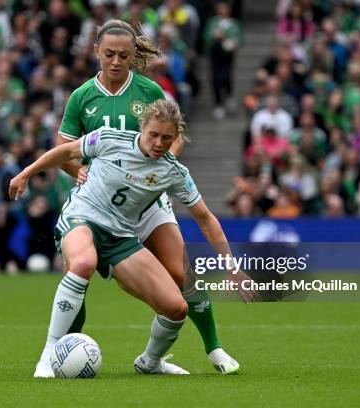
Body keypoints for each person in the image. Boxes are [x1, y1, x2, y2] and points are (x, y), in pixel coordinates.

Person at [9, 100, 255, 377]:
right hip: (82, 217)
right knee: (82, 263)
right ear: (142, 127)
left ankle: (150, 362)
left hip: (120, 235)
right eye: (154, 134)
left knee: (176, 308)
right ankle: (49, 353)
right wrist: (27, 173)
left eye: (167, 138)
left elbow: (206, 219)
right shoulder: (108, 137)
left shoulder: (173, 172)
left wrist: (232, 267)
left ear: (175, 138)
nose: (159, 143)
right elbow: (66, 151)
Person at [54, 19, 237, 373]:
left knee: (182, 272)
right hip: (99, 204)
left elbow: (175, 135)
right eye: (109, 54)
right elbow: (64, 148)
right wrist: (74, 170)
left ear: (133, 55)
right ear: (96, 52)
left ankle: (214, 348)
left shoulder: (150, 92)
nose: (116, 61)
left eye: (124, 55)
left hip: (149, 201)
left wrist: (161, 164)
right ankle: (64, 353)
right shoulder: (82, 97)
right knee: (77, 273)